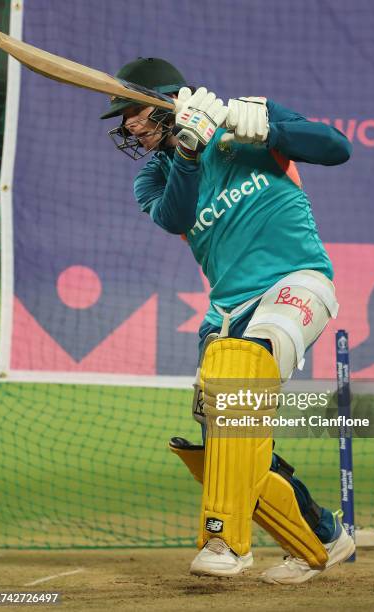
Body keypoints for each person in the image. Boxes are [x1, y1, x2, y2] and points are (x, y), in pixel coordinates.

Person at [101, 57, 355, 584]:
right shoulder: (154, 175)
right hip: (226, 311)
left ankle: (226, 543)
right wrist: (189, 155)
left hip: (297, 281)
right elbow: (175, 215)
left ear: (168, 101)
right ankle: (324, 536)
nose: (128, 125)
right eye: (123, 117)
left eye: (134, 112)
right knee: (226, 442)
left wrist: (270, 127)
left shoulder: (249, 116)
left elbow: (336, 148)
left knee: (245, 371)